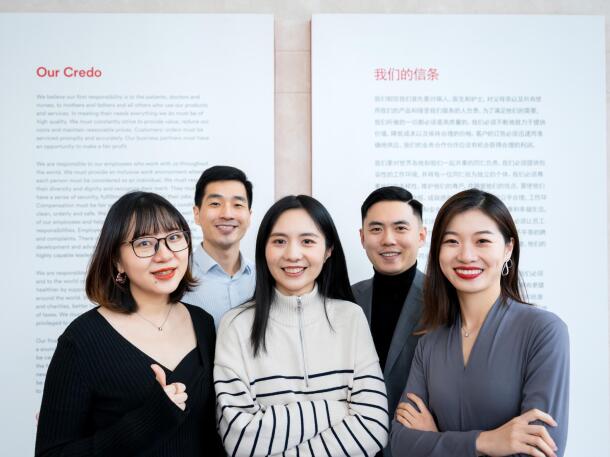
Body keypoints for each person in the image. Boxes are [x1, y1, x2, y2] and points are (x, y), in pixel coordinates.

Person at [35, 191, 224, 457]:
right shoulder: (81, 340)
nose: (164, 255)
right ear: (116, 261)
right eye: (144, 243)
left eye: (174, 238)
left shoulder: (202, 323)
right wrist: (148, 421)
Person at [390, 189, 569, 457]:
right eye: (452, 241)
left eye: (482, 241)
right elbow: (402, 445)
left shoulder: (543, 332)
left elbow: (541, 450)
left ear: (508, 248)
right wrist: (487, 442)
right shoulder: (429, 343)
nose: (466, 255)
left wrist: (436, 440)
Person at [214, 195, 389, 456]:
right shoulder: (236, 325)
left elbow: (374, 426)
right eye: (279, 241)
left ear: (329, 249)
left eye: (307, 241)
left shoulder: (351, 317)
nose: (292, 254)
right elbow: (239, 441)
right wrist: (335, 409)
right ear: (264, 248)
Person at [351, 186, 426, 457]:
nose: (388, 239)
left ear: (421, 236)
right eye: (376, 229)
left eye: (400, 228)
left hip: (418, 447)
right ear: (362, 237)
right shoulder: (346, 299)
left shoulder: (445, 301)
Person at [181, 165, 255, 328]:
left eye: (237, 205)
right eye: (215, 203)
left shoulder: (263, 277)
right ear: (197, 214)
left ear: (249, 216)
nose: (227, 214)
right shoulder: (178, 277)